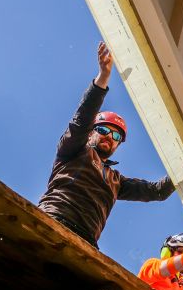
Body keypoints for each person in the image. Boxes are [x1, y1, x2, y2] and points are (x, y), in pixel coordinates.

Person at [37, 42, 175, 247]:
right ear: (92, 132)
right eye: (103, 130)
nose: (109, 137)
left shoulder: (116, 181)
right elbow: (81, 119)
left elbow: (157, 192)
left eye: (116, 136)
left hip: (87, 240)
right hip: (54, 218)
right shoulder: (74, 149)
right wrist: (103, 78)